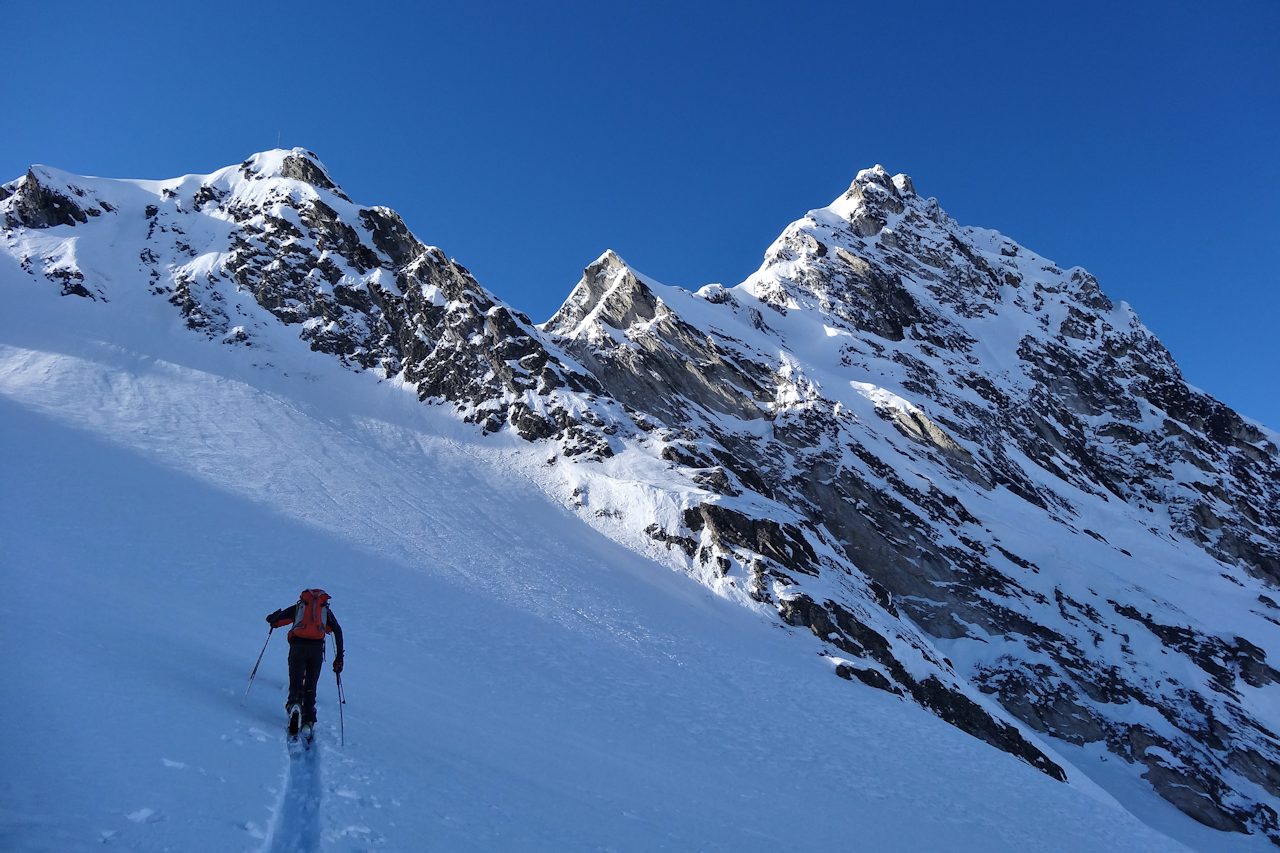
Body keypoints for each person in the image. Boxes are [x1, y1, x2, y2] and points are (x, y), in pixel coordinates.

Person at [265, 588, 344, 739]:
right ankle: (308, 720)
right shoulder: (325, 612)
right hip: (316, 650)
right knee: (311, 684)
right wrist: (339, 658)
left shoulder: (298, 608)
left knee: (296, 682)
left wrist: (272, 618)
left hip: (297, 648)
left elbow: (276, 622)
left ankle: (294, 704)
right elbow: (337, 631)